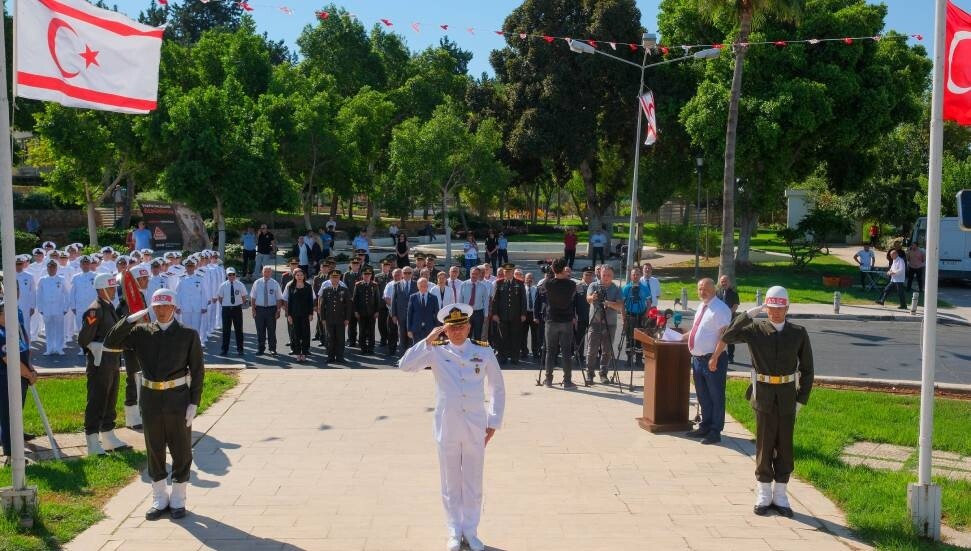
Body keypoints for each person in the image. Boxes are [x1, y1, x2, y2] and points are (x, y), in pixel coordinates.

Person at [398, 303, 505, 551]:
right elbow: (405, 366)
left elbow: (497, 387)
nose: (457, 331)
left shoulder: (483, 351)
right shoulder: (435, 350)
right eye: (452, 327)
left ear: (469, 327)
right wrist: (427, 339)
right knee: (449, 481)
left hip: (476, 425)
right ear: (445, 328)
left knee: (473, 481)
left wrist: (494, 421)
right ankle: (454, 531)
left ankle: (471, 530)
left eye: (461, 326)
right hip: (447, 424)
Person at [105, 289, 204, 521]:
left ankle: (179, 498)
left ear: (174, 308)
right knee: (154, 448)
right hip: (150, 398)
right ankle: (159, 497)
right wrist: (131, 318)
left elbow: (198, 371)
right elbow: (111, 341)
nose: (161, 311)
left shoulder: (188, 334)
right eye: (157, 307)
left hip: (178, 399)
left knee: (181, 449)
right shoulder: (141, 332)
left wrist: (194, 402)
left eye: (165, 306)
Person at [716, 286, 814, 517]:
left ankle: (781, 493)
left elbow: (807, 369)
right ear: (766, 307)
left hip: (788, 394)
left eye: (780, 308)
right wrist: (748, 314)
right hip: (764, 394)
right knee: (764, 442)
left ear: (787, 308)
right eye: (771, 308)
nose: (775, 312)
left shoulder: (798, 332)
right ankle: (763, 491)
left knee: (785, 444)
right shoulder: (755, 329)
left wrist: (802, 399)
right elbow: (727, 336)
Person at [78, 273, 132, 456]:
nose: (113, 291)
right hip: (100, 362)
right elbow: (84, 338)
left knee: (110, 398)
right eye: (110, 288)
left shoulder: (108, 308)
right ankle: (92, 440)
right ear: (101, 289)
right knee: (97, 399)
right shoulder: (95, 310)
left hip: (112, 361)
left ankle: (108, 436)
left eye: (113, 288)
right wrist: (95, 346)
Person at [683, 278, 732, 445]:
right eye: (699, 289)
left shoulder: (720, 309)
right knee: (703, 396)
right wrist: (677, 338)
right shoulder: (702, 306)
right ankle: (705, 426)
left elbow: (724, 336)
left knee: (716, 396)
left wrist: (715, 357)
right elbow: (697, 329)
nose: (701, 292)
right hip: (698, 360)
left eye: (705, 289)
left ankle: (715, 431)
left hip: (712, 359)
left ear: (714, 289)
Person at [0, 301, 39, 465]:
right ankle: (11, 457)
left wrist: (30, 369)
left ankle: (15, 453)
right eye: (7, 313)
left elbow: (24, 350)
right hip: (6, 380)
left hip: (20, 377)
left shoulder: (13, 330)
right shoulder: (2, 334)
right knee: (9, 417)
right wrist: (28, 374)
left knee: (15, 416)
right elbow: (10, 359)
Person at [540, 258, 578, 387]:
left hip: (552, 320)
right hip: (566, 320)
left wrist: (551, 270)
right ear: (564, 269)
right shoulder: (571, 284)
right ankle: (567, 380)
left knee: (550, 351)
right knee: (566, 351)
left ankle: (548, 379)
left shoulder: (548, 283)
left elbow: (543, 286)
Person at [585, 265, 622, 384]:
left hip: (610, 323)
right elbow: (588, 299)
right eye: (604, 275)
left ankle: (603, 373)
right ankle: (590, 374)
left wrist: (607, 303)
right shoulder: (593, 285)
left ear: (612, 276)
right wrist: (593, 297)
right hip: (595, 322)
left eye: (609, 275)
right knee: (592, 349)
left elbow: (620, 306)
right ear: (600, 274)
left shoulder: (616, 289)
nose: (606, 278)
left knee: (607, 350)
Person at [490, 263, 526, 364]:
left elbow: (523, 299)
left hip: (516, 315)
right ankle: (502, 357)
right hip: (502, 316)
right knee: (503, 337)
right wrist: (495, 314)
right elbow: (495, 300)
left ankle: (515, 357)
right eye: (506, 272)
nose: (507, 273)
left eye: (509, 271)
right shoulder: (499, 283)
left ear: (513, 272)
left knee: (515, 337)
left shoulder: (519, 283)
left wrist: (523, 314)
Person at [318, 270, 353, 363]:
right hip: (329, 319)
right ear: (330, 278)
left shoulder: (344, 290)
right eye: (333, 277)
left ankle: (340, 357)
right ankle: (330, 357)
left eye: (336, 277)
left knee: (340, 339)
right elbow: (322, 306)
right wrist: (323, 318)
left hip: (341, 319)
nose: (335, 279)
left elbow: (349, 306)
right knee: (330, 338)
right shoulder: (326, 290)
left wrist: (347, 318)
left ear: (339, 278)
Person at [37, 259, 69, 355]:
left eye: (54, 267)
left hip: (59, 308)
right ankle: (49, 348)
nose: (51, 269)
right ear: (47, 268)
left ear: (56, 268)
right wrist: (40, 308)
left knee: (59, 329)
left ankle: (59, 348)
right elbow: (39, 295)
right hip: (46, 308)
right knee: (48, 329)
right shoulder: (42, 280)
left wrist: (65, 307)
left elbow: (67, 294)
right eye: (50, 267)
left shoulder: (61, 279)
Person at [284, 269, 315, 362]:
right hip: (294, 314)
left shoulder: (308, 286)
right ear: (294, 276)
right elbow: (289, 302)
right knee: (296, 334)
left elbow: (310, 301)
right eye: (297, 275)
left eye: (301, 275)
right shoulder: (291, 286)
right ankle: (297, 353)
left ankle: (304, 353)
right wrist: (289, 315)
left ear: (304, 276)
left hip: (305, 314)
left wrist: (311, 313)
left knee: (305, 334)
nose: (299, 276)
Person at [250, 266, 282, 355]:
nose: (267, 273)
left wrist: (278, 310)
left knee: (271, 330)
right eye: (265, 272)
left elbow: (279, 298)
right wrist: (253, 309)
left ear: (271, 273)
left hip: (271, 309)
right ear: (262, 272)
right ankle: (261, 349)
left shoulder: (275, 283)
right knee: (260, 330)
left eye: (268, 272)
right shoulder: (257, 283)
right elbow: (253, 297)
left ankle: (272, 349)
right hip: (259, 309)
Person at [175, 258, 208, 343]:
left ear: (194, 267)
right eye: (188, 266)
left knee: (196, 327)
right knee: (186, 327)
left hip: (197, 307)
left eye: (191, 266)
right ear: (185, 267)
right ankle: (186, 344)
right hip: (185, 307)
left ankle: (196, 343)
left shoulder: (199, 278)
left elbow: (203, 293)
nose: (190, 268)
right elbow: (177, 293)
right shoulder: (181, 279)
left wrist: (204, 306)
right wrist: (177, 306)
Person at [217, 267, 248, 356]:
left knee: (239, 330)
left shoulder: (240, 284)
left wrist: (239, 304)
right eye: (229, 275)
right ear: (227, 276)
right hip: (226, 309)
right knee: (226, 330)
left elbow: (244, 296)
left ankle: (240, 349)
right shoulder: (223, 285)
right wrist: (226, 304)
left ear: (235, 275)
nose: (231, 276)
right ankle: (224, 350)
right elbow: (220, 298)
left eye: (233, 274)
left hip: (237, 309)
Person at [352, 267, 381, 354]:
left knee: (371, 331)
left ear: (371, 275)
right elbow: (355, 299)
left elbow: (377, 299)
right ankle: (363, 348)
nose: (367, 276)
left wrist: (377, 311)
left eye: (368, 275)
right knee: (362, 331)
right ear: (362, 275)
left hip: (372, 312)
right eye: (365, 275)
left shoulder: (375, 285)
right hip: (361, 313)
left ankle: (371, 349)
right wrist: (356, 311)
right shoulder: (358, 285)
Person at [621, 267, 650, 350]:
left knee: (640, 338)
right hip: (630, 315)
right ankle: (629, 358)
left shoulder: (645, 288)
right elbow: (622, 304)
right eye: (634, 275)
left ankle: (639, 359)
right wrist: (623, 318)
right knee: (629, 338)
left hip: (641, 315)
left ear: (640, 275)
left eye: (637, 274)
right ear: (631, 276)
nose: (636, 276)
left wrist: (646, 314)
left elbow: (649, 302)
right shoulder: (626, 288)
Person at [715, 275, 741, 363]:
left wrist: (727, 313)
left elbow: (735, 306)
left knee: (730, 338)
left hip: (730, 319)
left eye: (725, 281)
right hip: (719, 319)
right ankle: (716, 355)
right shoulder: (717, 293)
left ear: (729, 282)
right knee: (717, 337)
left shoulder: (734, 293)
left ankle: (730, 357)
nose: (724, 283)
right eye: (722, 281)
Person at [407, 277, 440, 344]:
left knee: (430, 349)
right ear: (417, 286)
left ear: (427, 286)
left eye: (425, 286)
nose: (423, 287)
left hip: (430, 328)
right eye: (421, 286)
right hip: (416, 329)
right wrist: (409, 330)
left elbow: (437, 314)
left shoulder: (434, 298)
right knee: (417, 349)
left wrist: (437, 330)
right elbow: (409, 314)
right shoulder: (413, 297)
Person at [459, 267, 488, 341]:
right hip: (466, 313)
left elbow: (485, 301)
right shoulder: (463, 284)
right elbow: (460, 300)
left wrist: (486, 315)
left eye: (476, 274)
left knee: (478, 335)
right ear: (470, 274)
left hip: (478, 313)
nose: (474, 275)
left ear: (479, 275)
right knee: (467, 334)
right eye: (473, 274)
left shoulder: (482, 286)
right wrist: (461, 314)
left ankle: (477, 352)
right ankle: (467, 351)